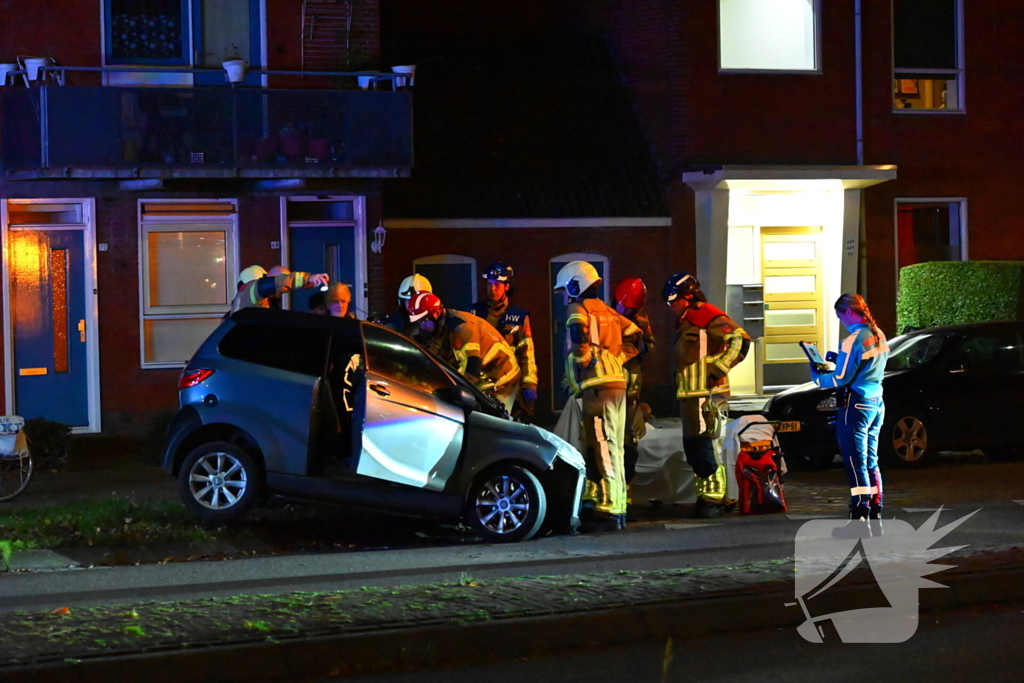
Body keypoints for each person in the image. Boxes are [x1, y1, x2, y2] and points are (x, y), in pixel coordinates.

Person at [554, 261, 641, 532]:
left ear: (575, 286)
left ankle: (610, 511)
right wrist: (615, 359)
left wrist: (585, 361)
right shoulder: (609, 311)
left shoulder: (577, 309)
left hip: (596, 388)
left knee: (602, 448)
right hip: (617, 384)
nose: (563, 296)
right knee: (615, 447)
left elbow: (577, 336)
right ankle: (618, 507)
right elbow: (636, 336)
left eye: (564, 290)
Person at [662, 272, 751, 518]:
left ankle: (713, 500)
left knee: (706, 447)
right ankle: (706, 496)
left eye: (674, 300)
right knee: (695, 448)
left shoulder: (705, 315)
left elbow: (740, 339)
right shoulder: (687, 320)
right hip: (692, 395)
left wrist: (718, 369)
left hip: (707, 396)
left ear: (688, 296)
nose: (670, 306)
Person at [813, 293, 890, 538]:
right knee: (871, 460)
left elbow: (840, 378)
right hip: (876, 402)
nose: (841, 322)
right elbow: (868, 364)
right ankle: (875, 515)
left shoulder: (852, 339)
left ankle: (859, 520)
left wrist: (817, 376)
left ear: (847, 312)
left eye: (840, 316)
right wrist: (841, 360)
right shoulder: (878, 333)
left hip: (855, 405)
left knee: (855, 463)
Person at [407, 291, 521, 412]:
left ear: (436, 313)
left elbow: (472, 365)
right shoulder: (437, 330)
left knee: (492, 417)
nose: (421, 326)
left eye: (423, 321)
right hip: (482, 376)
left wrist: (454, 391)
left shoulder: (462, 327)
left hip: (501, 377)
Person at [471, 262, 539, 420]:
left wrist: (529, 384)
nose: (492, 289)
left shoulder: (519, 317)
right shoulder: (474, 313)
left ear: (507, 286)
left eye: (497, 285)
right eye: (489, 284)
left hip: (510, 385)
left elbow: (527, 353)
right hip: (481, 383)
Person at [613, 277, 656, 485]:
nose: (628, 311)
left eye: (632, 309)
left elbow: (651, 349)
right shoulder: (606, 318)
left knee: (629, 443)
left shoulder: (642, 321)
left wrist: (640, 346)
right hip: (610, 389)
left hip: (631, 391)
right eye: (625, 307)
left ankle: (626, 489)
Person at [231, 265, 328, 313]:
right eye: (282, 289)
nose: (281, 293)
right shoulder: (250, 294)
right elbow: (274, 284)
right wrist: (306, 278)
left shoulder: (269, 302)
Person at [386, 273, 433, 337]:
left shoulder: (434, 321)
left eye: (419, 302)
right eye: (410, 302)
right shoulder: (396, 321)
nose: (413, 306)